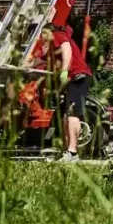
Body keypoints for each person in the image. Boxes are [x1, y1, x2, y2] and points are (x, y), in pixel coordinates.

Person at [26, 23, 92, 162]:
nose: (40, 38)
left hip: (78, 77)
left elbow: (67, 49)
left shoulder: (58, 36)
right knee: (64, 116)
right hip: (70, 80)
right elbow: (38, 61)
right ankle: (67, 152)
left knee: (73, 113)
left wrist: (64, 70)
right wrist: (21, 66)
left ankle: (73, 153)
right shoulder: (51, 47)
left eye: (41, 34)